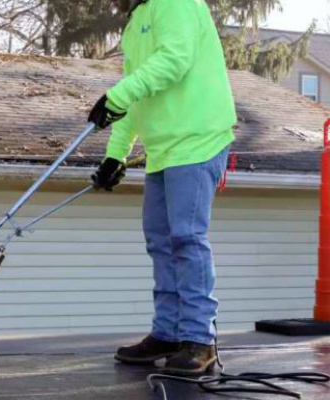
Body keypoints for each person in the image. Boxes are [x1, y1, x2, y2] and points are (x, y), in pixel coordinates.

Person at [88, 0, 237, 376]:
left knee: (186, 238)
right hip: (163, 148)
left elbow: (175, 58)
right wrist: (114, 155)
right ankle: (169, 333)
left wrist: (117, 96)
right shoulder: (136, 21)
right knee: (160, 240)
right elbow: (136, 95)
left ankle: (199, 339)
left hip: (197, 138)